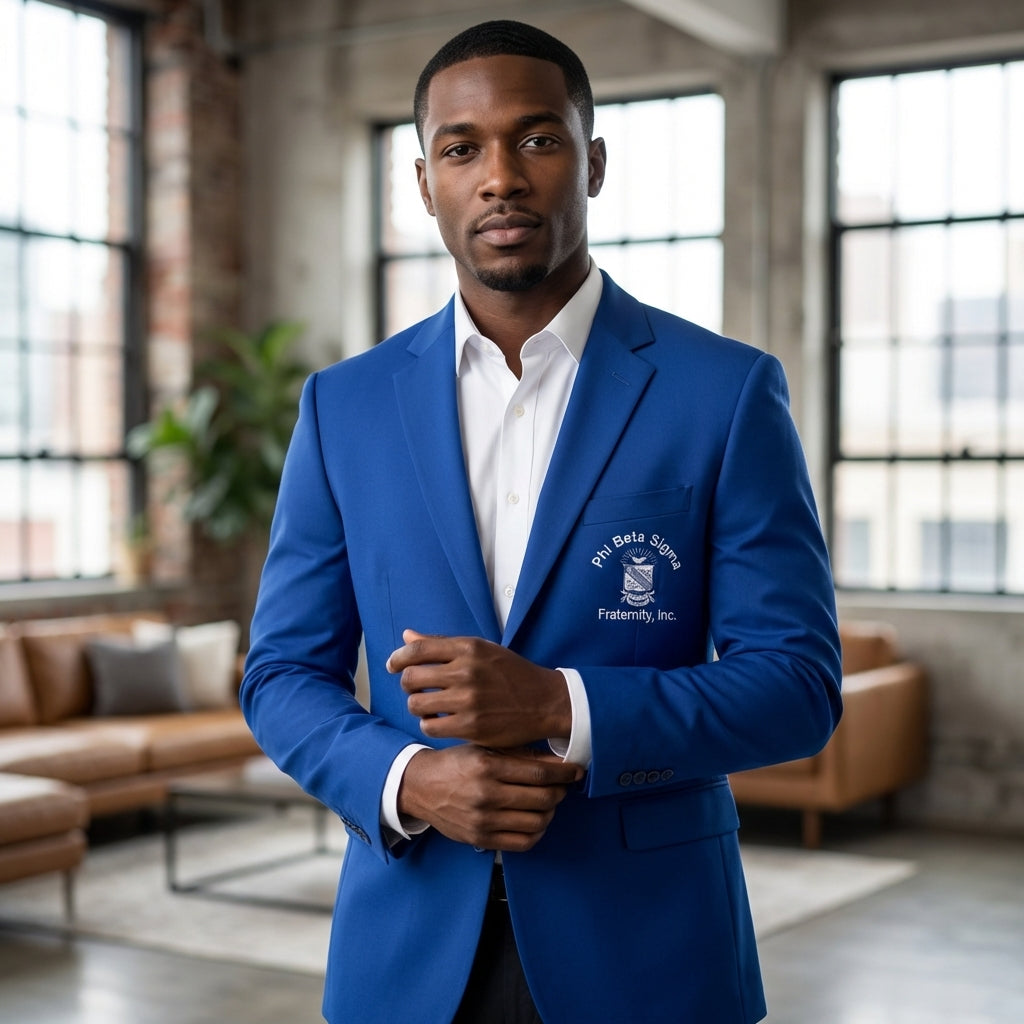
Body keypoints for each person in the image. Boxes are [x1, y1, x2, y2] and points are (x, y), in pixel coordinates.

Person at [241, 19, 842, 1024]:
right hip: (406, 956)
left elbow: (797, 685)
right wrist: (406, 778)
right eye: (461, 147)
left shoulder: (724, 393)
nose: (500, 179)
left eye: (537, 139)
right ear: (423, 179)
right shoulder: (340, 408)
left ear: (592, 162)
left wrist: (562, 704)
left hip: (649, 952)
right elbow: (280, 675)